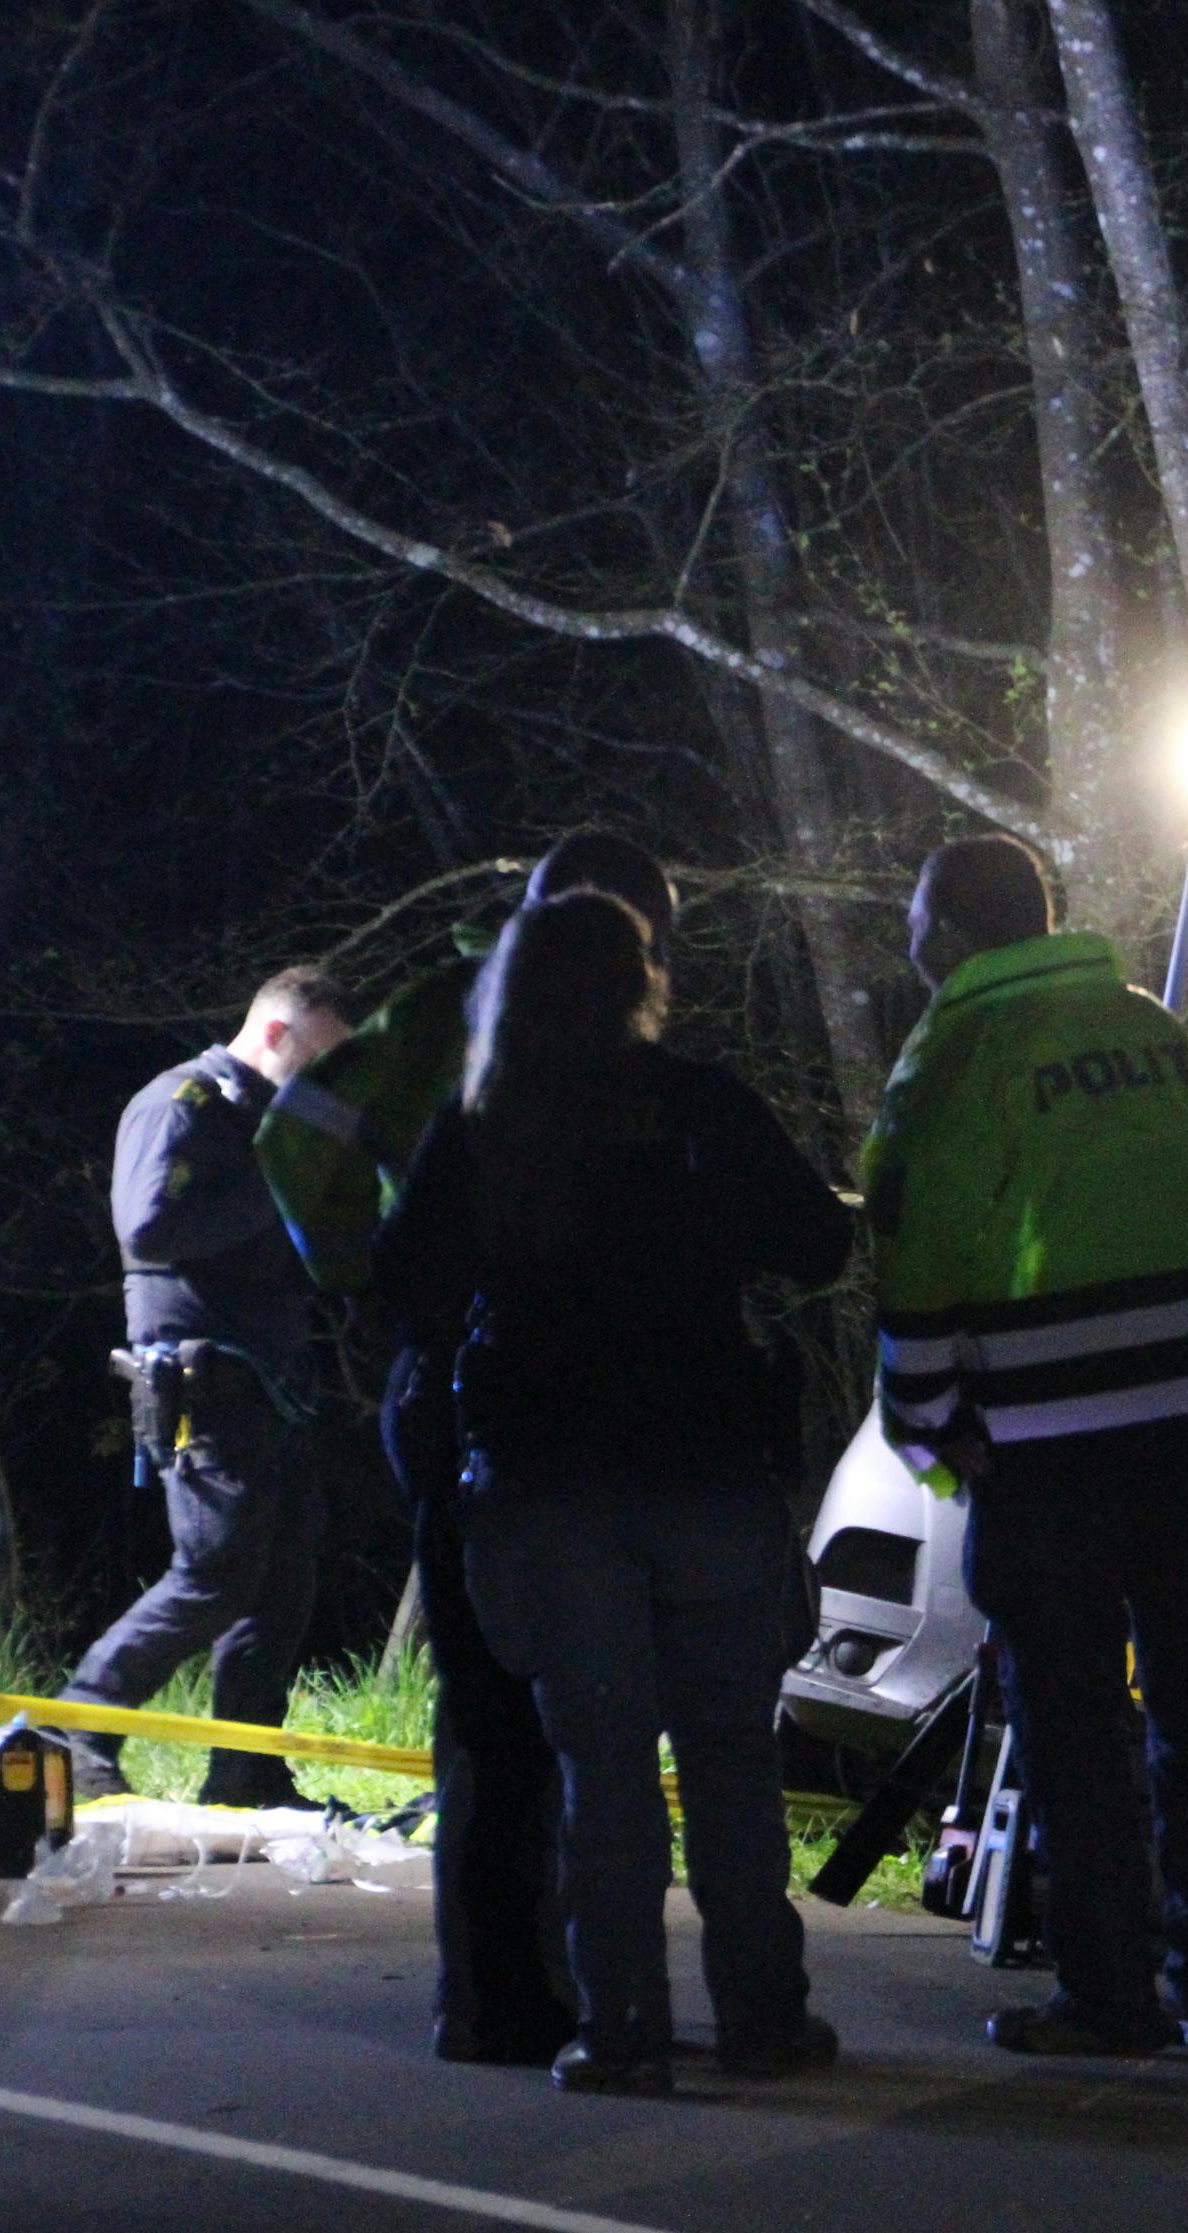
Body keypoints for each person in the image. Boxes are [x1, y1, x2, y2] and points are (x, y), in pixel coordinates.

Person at [380, 892, 851, 2094]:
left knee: (601, 1772)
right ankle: (764, 2017)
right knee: (733, 1757)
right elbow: (819, 1244)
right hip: (706, 1469)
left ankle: (625, 2028)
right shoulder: (703, 1105)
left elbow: (403, 1288)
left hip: (547, 1485)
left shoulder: (484, 1124)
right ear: (640, 983)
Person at [863, 833, 1188, 2057]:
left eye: (917, 916)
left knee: (1069, 1724)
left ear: (950, 937)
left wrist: (929, 1434)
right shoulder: (1157, 1034)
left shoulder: (953, 1059)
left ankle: (1105, 1992)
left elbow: (922, 1261)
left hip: (1056, 1456)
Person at [256, 832, 678, 2067]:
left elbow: (307, 1148)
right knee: (535, 1703)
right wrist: (363, 1277)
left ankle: (505, 1991)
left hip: (457, 1381)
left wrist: (368, 1284)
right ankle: (522, 1991)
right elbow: (299, 1140)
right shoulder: (498, 1019)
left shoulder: (447, 1013)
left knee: (497, 1706)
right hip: (509, 1392)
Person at [65, 965, 356, 1809]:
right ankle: (80, 1725)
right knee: (216, 1571)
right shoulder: (180, 1104)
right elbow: (148, 1224)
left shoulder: (265, 1125)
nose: (325, 1083)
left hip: (276, 1382)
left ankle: (244, 1769)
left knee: (285, 1582)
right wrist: (281, 1175)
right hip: (202, 1376)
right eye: (321, 1059)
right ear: (275, 1033)